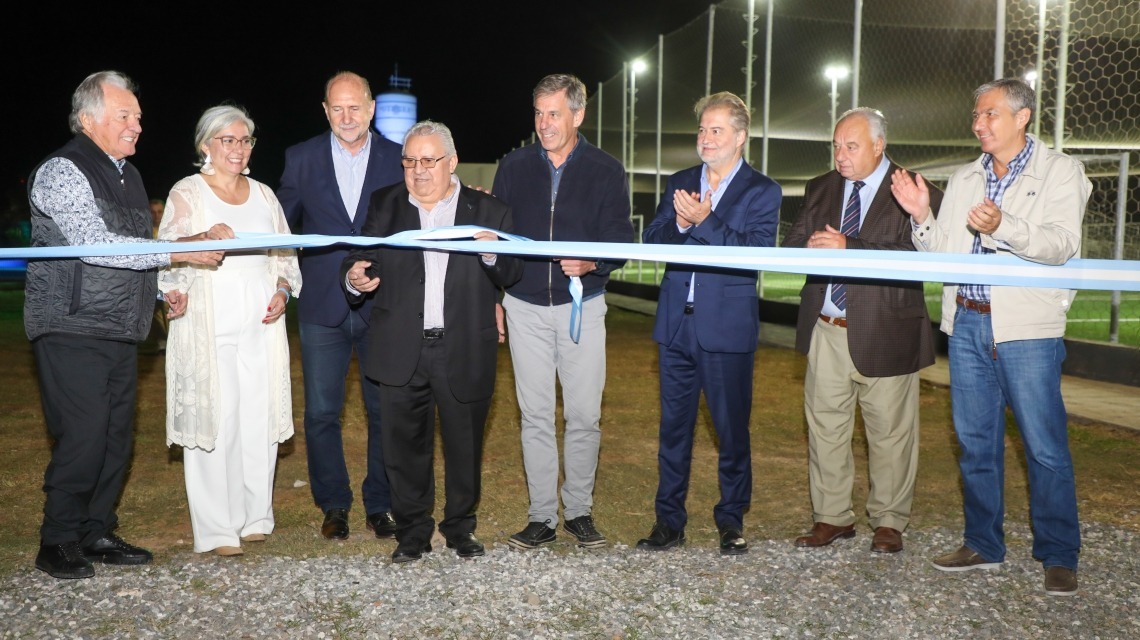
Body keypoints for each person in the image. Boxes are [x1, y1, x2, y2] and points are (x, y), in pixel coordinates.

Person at [891, 78, 1090, 596]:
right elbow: (944, 257)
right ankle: (983, 543)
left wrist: (1004, 225)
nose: (979, 124)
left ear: (1022, 117)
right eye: (976, 116)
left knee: (1044, 447)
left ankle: (1058, 553)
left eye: (990, 114)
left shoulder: (1062, 172)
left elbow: (1061, 245)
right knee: (976, 444)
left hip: (1026, 329)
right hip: (968, 323)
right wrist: (922, 217)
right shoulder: (964, 178)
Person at [25, 70, 226, 579]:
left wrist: (161, 291)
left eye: (138, 116)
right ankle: (58, 539)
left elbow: (131, 247)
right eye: (125, 115)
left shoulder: (129, 176)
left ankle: (95, 530)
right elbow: (96, 244)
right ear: (89, 118)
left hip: (119, 326)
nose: (138, 124)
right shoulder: (61, 171)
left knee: (116, 438)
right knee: (84, 435)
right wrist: (181, 249)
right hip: (71, 325)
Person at [341, 120, 522, 563]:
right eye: (409, 161)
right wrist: (354, 276)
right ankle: (412, 532)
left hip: (463, 346)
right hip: (401, 345)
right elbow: (358, 255)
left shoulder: (489, 211)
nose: (418, 170)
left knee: (465, 446)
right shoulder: (385, 204)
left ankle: (461, 528)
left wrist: (491, 251)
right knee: (403, 448)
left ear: (452, 162)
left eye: (428, 160)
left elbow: (513, 272)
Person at [782, 108, 942, 554]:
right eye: (836, 145)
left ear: (879, 146)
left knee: (890, 433)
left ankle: (889, 521)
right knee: (825, 429)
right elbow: (794, 246)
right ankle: (832, 517)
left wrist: (849, 246)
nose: (841, 155)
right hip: (827, 327)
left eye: (851, 146)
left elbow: (922, 254)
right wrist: (810, 248)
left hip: (888, 329)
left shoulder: (912, 190)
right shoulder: (821, 187)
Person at [492, 74, 633, 550]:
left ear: (579, 114)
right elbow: (499, 241)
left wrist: (595, 262)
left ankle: (578, 512)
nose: (544, 123)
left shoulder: (607, 170)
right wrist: (497, 298)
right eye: (538, 113)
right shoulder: (512, 167)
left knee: (584, 416)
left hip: (583, 306)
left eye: (554, 113)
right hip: (523, 307)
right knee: (533, 416)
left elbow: (621, 239)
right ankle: (541, 517)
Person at [638, 91, 781, 555]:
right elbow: (654, 238)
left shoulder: (762, 190)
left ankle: (730, 519)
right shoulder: (681, 180)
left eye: (716, 130)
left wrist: (705, 220)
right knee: (673, 431)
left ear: (740, 137)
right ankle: (669, 522)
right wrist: (680, 225)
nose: (705, 138)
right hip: (676, 327)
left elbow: (755, 253)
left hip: (726, 331)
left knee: (731, 432)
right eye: (702, 129)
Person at [158, 105, 302, 557]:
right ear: (206, 145)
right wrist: (173, 291)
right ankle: (218, 528)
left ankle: (255, 516)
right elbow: (167, 252)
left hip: (260, 325)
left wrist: (281, 288)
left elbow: (285, 254)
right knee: (215, 419)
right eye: (228, 140)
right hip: (208, 324)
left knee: (256, 418)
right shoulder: (189, 193)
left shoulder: (263, 195)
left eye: (245, 141)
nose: (237, 149)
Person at [278, 71, 404, 541]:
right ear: (325, 110)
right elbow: (281, 227)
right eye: (338, 108)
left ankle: (381, 504)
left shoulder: (399, 158)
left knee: (384, 410)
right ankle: (333, 503)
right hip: (322, 308)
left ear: (371, 109)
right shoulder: (301, 158)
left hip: (384, 304)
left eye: (356, 107)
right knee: (321, 414)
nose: (347, 117)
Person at [149, 198, 169, 352]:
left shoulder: (170, 230)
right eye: (153, 212)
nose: (156, 215)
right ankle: (163, 340)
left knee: (168, 309)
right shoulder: (145, 231)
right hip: (150, 277)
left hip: (169, 276)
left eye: (159, 211)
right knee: (154, 313)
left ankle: (170, 341)